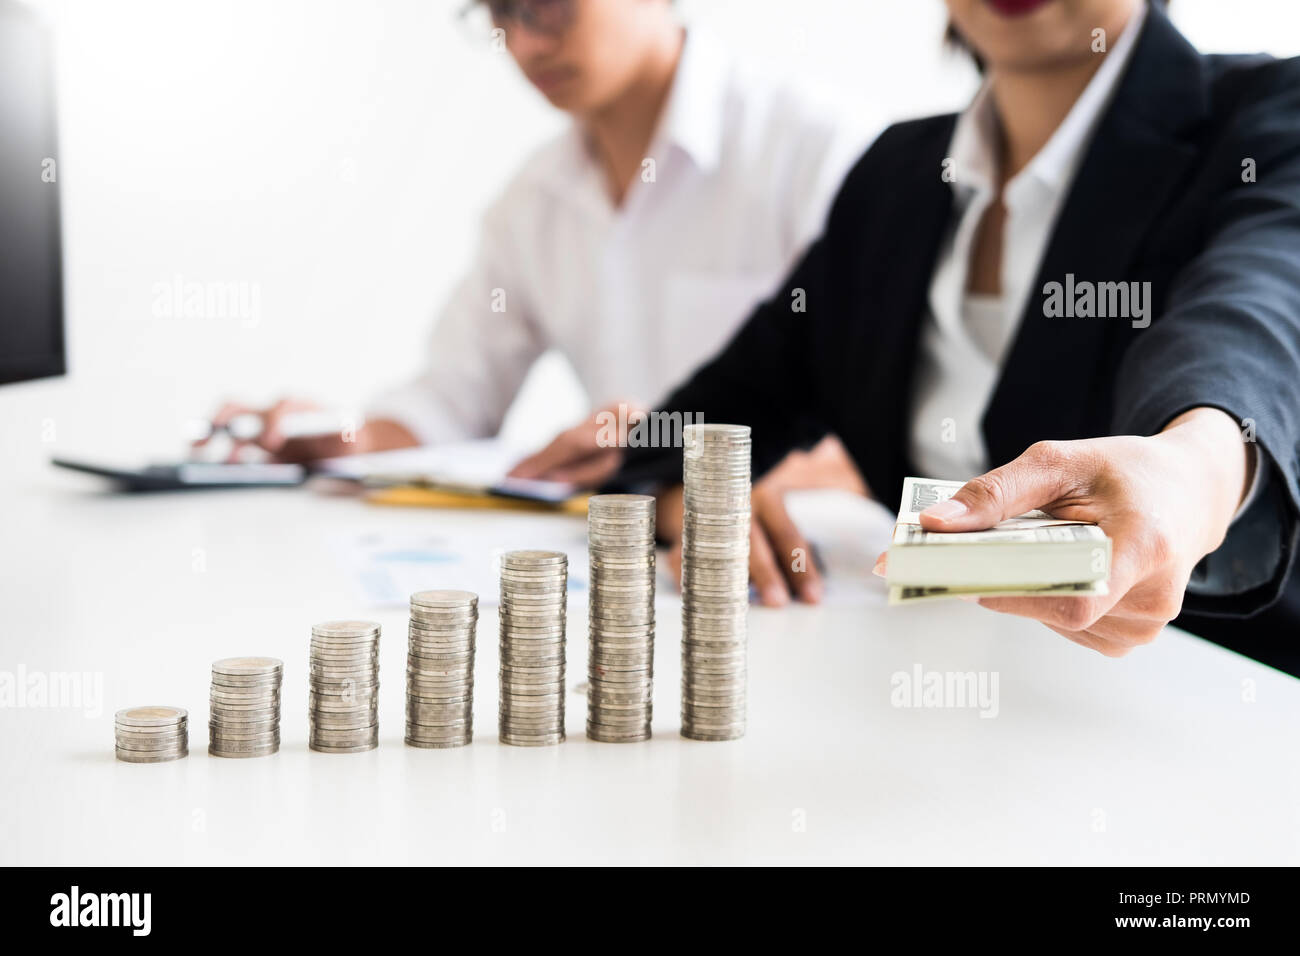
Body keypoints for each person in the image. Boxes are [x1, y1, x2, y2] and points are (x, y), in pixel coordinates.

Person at [613, 0, 1300, 674]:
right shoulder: (896, 173)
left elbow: (1255, 311)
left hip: (1203, 702)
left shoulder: (1268, 113)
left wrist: (1194, 467)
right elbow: (719, 409)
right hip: (908, 689)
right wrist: (697, 493)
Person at [197, 0, 872, 513]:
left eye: (548, 3)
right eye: (500, 12)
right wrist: (343, 437)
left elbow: (902, 432)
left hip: (810, 578)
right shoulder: (533, 203)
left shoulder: (820, 154)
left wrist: (711, 474)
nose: (522, 42)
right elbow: (454, 397)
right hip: (632, 575)